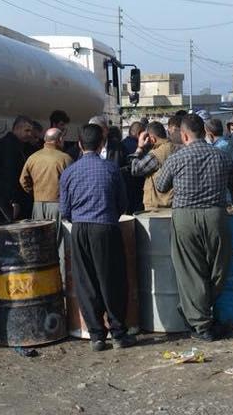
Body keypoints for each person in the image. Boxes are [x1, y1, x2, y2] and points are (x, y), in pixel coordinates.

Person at [156, 114, 233, 341]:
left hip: (185, 218)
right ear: (205, 132)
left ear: (184, 135)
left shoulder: (176, 158)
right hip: (216, 216)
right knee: (218, 269)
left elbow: (161, 185)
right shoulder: (221, 156)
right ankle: (199, 315)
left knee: (190, 271)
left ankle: (197, 318)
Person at [59, 123, 135, 351]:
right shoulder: (111, 169)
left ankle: (96, 336)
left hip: (79, 229)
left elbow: (65, 210)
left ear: (79, 145)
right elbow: (122, 203)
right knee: (112, 280)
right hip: (106, 227)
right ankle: (118, 334)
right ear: (102, 144)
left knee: (86, 282)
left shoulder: (69, 172)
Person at [20, 128, 74, 222]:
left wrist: (35, 192)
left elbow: (23, 180)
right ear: (60, 139)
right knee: (57, 231)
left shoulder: (32, 158)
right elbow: (73, 182)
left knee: (39, 230)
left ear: (45, 139)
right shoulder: (66, 158)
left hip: (37, 205)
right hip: (58, 204)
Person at [0, 115, 34, 222]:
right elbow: (9, 174)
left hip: (4, 195)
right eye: (27, 131)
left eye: (30, 131)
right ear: (17, 128)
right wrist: (13, 200)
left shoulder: (13, 144)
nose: (30, 134)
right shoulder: (10, 147)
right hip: (6, 197)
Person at [130, 121, 177, 210]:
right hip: (169, 204)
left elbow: (135, 169)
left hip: (157, 207)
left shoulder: (159, 153)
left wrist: (140, 147)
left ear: (152, 139)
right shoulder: (172, 147)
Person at [122, 121, 146, 214]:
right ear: (139, 133)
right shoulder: (142, 148)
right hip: (139, 188)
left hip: (125, 188)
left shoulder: (121, 145)